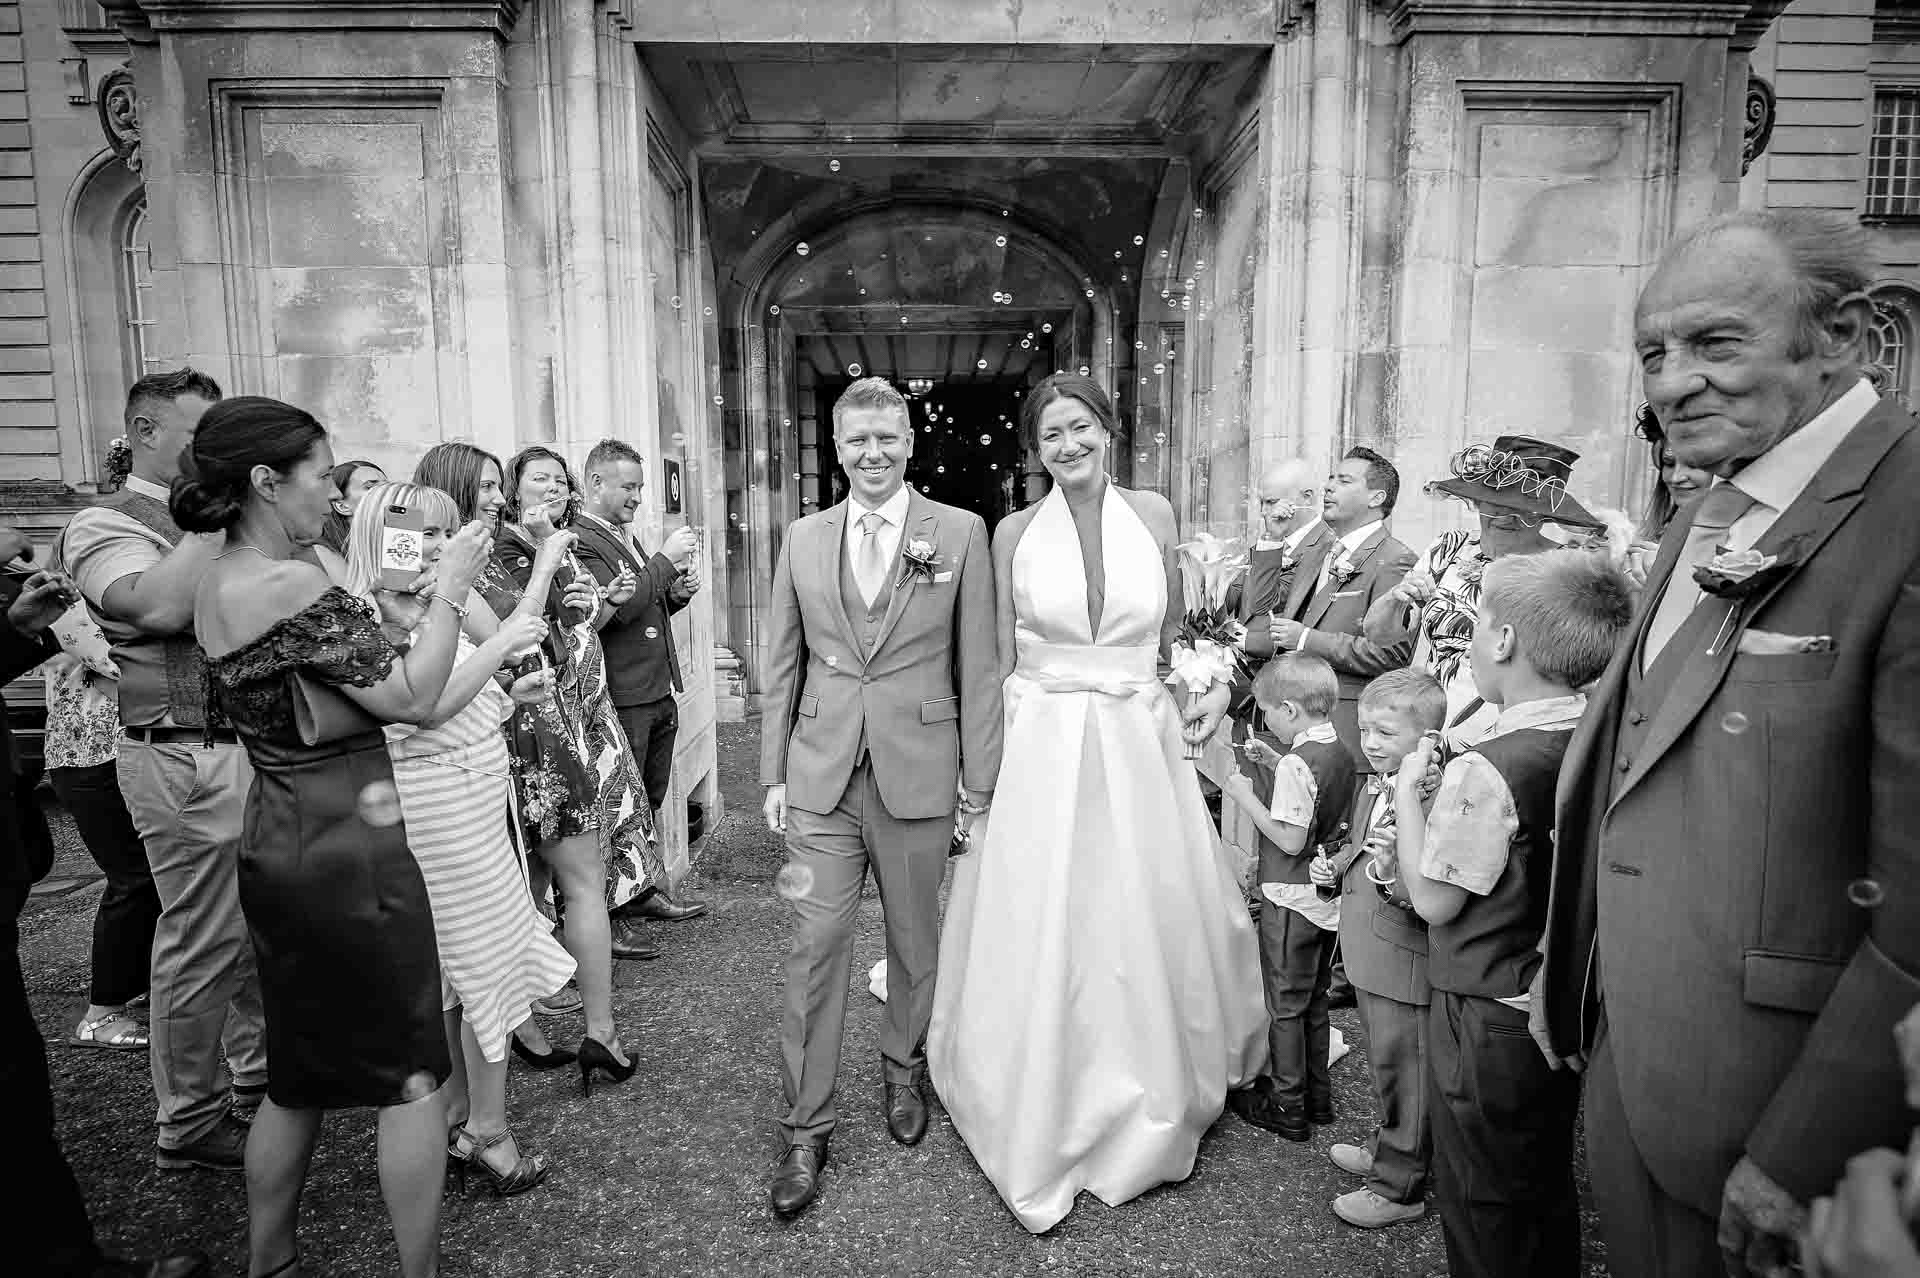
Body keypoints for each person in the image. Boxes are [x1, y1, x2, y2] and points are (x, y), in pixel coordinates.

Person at [1539, 208, 1920, 1278]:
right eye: (1654, 353)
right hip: (1637, 1054)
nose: (1671, 383)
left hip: (1782, 1111)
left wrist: (1816, 1143)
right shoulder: (1711, 506)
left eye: (1714, 343)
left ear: (1844, 335)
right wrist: (1568, 971)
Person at [927, 373, 1263, 1234]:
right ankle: (1038, 1079)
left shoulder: (1154, 515)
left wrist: (1205, 688)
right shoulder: (1012, 531)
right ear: (1034, 452)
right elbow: (1000, 655)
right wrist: (984, 777)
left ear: (1107, 430)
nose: (1067, 447)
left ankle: (1151, 1065)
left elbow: (1178, 635)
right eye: (1050, 437)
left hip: (1139, 739)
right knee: (1047, 907)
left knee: (1141, 902)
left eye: (1079, 429)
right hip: (1043, 738)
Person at [183, 396, 490, 1278]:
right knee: (412, 1078)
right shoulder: (295, 583)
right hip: (352, 846)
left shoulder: (217, 583)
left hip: (275, 835)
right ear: (266, 482)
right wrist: (456, 588)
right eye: (322, 476)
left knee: (297, 1074)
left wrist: (395, 619)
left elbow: (321, 684)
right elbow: (414, 698)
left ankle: (269, 1260)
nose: (336, 495)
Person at [759, 377, 1002, 1217]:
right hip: (822, 772)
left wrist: (981, 782)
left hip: (922, 767)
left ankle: (904, 1069)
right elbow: (780, 663)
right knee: (815, 947)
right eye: (856, 439)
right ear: (836, 445)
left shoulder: (961, 533)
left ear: (908, 443)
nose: (872, 453)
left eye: (886, 438)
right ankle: (805, 1126)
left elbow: (981, 664)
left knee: (913, 936)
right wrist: (774, 773)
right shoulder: (802, 537)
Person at [1390, 551, 1632, 1278]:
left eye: (1479, 625)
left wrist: (1408, 798)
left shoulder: (1485, 766)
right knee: (1539, 1179)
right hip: (1550, 993)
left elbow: (1435, 899)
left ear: (1502, 644)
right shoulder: (1598, 733)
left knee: (1481, 1198)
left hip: (1482, 1009)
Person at [56, 367, 266, 1172]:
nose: (214, 455)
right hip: (180, 750)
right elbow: (158, 608)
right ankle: (188, 1117)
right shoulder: (101, 523)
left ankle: (256, 1079)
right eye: (198, 438)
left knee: (252, 928)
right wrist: (214, 516)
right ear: (143, 431)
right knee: (199, 939)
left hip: (246, 744)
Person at [342, 482, 577, 1196]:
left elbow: (456, 694)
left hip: (471, 793)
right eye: (429, 534)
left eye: (450, 533)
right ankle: (489, 1135)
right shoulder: (376, 615)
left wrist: (508, 692)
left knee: (454, 973)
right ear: (388, 538)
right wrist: (500, 642)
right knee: (484, 967)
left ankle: (455, 1119)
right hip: (440, 811)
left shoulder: (417, 604)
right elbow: (420, 712)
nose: (448, 547)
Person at [5, 569, 211, 1278]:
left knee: (150, 889)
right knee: (136, 885)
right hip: (92, 751)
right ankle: (101, 1010)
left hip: (99, 753)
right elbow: (107, 660)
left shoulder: (51, 599)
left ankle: (63, 1254)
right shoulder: (99, 574)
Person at [413, 442, 636, 1083]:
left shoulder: (464, 559)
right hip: (512, 730)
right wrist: (546, 560)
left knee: (527, 887)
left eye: (495, 485)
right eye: (483, 486)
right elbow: (516, 635)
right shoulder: (460, 569)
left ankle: (532, 1029)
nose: (494, 497)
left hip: (513, 719)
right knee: (576, 880)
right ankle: (596, 1033)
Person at [1363, 436, 1608, 749]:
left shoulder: (1567, 568)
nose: (1507, 517)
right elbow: (1377, 634)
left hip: (1516, 739)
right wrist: (1396, 599)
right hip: (1427, 730)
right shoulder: (1448, 549)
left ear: (1545, 514)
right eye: (1499, 505)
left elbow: (1589, 670)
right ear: (1478, 500)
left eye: (1524, 509)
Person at [1316, 667, 1447, 1229]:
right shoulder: (1378, 779)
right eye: (1365, 729)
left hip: (1402, 955)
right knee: (1387, 1066)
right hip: (1371, 951)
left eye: (1385, 733)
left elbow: (1425, 887)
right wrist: (1336, 867)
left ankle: (1400, 1184)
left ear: (1424, 740)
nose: (1369, 742)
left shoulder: (1429, 794)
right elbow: (1362, 845)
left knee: (1408, 1071)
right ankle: (1392, 1144)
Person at [573, 438, 709, 961]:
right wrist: (665, 562)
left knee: (647, 800)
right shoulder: (580, 540)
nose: (637, 497)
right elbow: (616, 613)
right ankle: (612, 914)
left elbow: (644, 611)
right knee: (616, 807)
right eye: (628, 487)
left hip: (654, 689)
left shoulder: (621, 535)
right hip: (623, 694)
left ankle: (641, 890)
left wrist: (674, 595)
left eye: (640, 487)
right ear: (595, 485)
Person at [1218, 652, 1358, 1140]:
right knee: (1314, 1001)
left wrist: (1244, 796)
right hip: (1323, 899)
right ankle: (1318, 1098)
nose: (1266, 720)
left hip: (1289, 896)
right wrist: (1274, 762)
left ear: (1291, 711)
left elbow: (1291, 837)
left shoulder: (1299, 761)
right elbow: (1313, 793)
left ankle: (1287, 1103)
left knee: (1284, 1004)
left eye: (1269, 711)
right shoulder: (1338, 750)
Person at [44, 596, 157, 1052]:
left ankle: (146, 984)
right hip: (90, 760)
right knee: (134, 878)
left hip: (113, 756)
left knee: (152, 877)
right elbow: (125, 670)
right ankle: (101, 1013)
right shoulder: (73, 610)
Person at [1268, 447, 1417, 771]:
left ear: (1376, 498)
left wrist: (1307, 640)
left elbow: (1391, 655)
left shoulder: (1394, 560)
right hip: (1295, 731)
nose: (1328, 487)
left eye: (1344, 480)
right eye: (1330, 478)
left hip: (1346, 733)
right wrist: (1271, 539)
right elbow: (1262, 606)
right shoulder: (1319, 551)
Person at [1231, 459, 1329, 727]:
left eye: (1272, 502)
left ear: (1306, 497)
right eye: (1261, 503)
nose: (1263, 512)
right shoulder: (1268, 542)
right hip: (1248, 686)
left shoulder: (1327, 544)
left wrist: (1242, 640)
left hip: (1292, 689)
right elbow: (1240, 597)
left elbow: (1277, 607)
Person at [319, 459, 386, 554]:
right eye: (370, 487)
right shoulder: (321, 555)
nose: (387, 492)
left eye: (387, 487)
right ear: (342, 506)